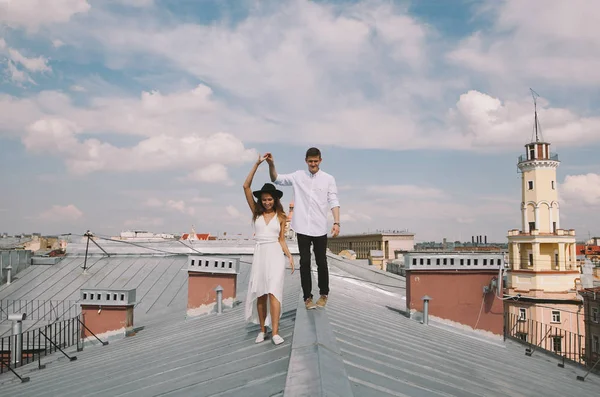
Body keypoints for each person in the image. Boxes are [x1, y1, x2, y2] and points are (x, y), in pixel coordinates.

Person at [266, 147, 340, 310]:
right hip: (302, 226)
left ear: (320, 160)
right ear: (306, 161)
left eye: (315, 161)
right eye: (310, 161)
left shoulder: (328, 179)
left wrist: (336, 222)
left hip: (320, 227)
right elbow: (276, 179)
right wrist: (271, 164)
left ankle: (324, 294)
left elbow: (333, 201)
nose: (313, 164)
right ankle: (307, 297)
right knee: (305, 262)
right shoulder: (298, 176)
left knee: (321, 261)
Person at [243, 154, 295, 345]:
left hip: (275, 254)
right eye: (264, 200)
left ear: (274, 199)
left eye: (269, 200)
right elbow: (246, 187)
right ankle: (262, 330)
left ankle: (275, 332)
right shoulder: (256, 213)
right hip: (260, 254)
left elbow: (281, 240)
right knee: (261, 293)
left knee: (274, 292)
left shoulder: (281, 217)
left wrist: (289, 256)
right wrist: (257, 164)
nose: (267, 202)